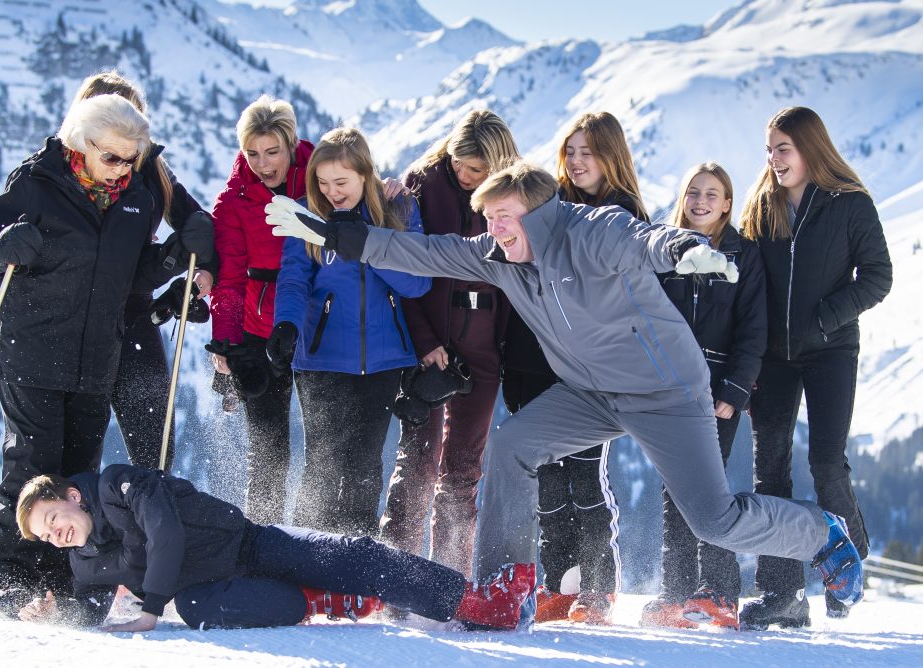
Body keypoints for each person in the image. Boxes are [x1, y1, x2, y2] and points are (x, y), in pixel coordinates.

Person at [264, 160, 866, 625]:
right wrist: (341, 235)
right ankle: (508, 584)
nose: (493, 232)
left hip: (666, 393)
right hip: (590, 392)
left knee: (713, 519)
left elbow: (646, 240)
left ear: (538, 212)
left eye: (503, 219)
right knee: (512, 445)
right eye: (489, 221)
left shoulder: (592, 232)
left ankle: (822, 534)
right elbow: (429, 250)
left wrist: (685, 249)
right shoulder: (501, 256)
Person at [0, 94, 215, 620]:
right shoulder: (36, 182)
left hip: (97, 358)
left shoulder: (137, 193)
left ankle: (69, 591)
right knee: (31, 469)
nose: (125, 170)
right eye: (114, 158)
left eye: (133, 159)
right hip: (32, 353)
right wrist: (1, 247)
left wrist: (171, 257)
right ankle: (12, 585)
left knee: (79, 480)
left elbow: (130, 275)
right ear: (82, 143)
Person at [14, 464, 536, 631]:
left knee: (351, 553)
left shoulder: (116, 485)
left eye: (52, 518)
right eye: (45, 535)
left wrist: (150, 608)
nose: (55, 534)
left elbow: (166, 533)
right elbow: (88, 608)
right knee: (204, 608)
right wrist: (55, 612)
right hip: (211, 587)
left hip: (251, 543)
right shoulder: (84, 562)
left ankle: (476, 602)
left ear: (72, 497)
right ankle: (327, 600)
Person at [738, 106, 892, 629]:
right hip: (772, 357)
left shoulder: (850, 205)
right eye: (769, 150)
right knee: (771, 472)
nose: (774, 160)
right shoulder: (763, 207)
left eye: (783, 148)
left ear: (810, 148)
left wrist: (824, 319)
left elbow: (877, 276)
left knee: (827, 462)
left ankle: (848, 567)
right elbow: (747, 279)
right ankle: (782, 594)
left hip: (830, 350)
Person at [515, 112, 650, 625]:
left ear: (610, 156)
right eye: (570, 151)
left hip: (596, 368)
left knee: (585, 477)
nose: (575, 160)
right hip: (542, 360)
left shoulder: (624, 216)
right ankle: (557, 583)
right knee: (548, 480)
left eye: (587, 151)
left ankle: (597, 586)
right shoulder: (551, 208)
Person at [267, 127, 430, 537]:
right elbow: (293, 278)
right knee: (322, 464)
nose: (331, 192)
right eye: (322, 182)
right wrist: (285, 324)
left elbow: (417, 283)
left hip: (384, 361)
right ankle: (308, 562)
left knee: (363, 467)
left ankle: (354, 568)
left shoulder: (398, 209)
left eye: (341, 182)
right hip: (321, 357)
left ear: (365, 175)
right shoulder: (308, 214)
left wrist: (367, 245)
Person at [378, 110, 519, 578]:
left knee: (462, 469)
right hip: (430, 337)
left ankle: (448, 581)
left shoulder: (515, 195)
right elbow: (403, 269)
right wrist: (423, 341)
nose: (465, 176)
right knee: (417, 461)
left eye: (477, 171)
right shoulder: (422, 184)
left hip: (485, 344)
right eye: (460, 164)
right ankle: (393, 578)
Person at [638, 162, 766, 630]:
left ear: (727, 203)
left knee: (709, 491)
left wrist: (734, 390)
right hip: (668, 387)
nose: (701, 201)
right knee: (674, 488)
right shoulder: (663, 248)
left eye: (713, 194)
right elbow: (644, 315)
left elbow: (754, 331)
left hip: (717, 391)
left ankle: (720, 592)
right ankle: (674, 593)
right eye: (693, 191)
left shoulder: (743, 255)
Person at [72, 71, 216, 472]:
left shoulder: (152, 168)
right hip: (81, 321)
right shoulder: (68, 174)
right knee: (79, 454)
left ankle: (149, 531)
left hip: (135, 315)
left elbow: (199, 224)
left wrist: (203, 274)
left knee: (156, 448)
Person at [207, 95, 314, 525]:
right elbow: (229, 280)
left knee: (325, 447)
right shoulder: (233, 201)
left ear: (290, 144)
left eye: (272, 152)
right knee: (267, 451)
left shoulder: (319, 178)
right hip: (257, 331)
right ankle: (263, 543)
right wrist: (227, 345)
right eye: (252, 153)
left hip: (314, 328)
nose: (262, 163)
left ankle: (314, 544)